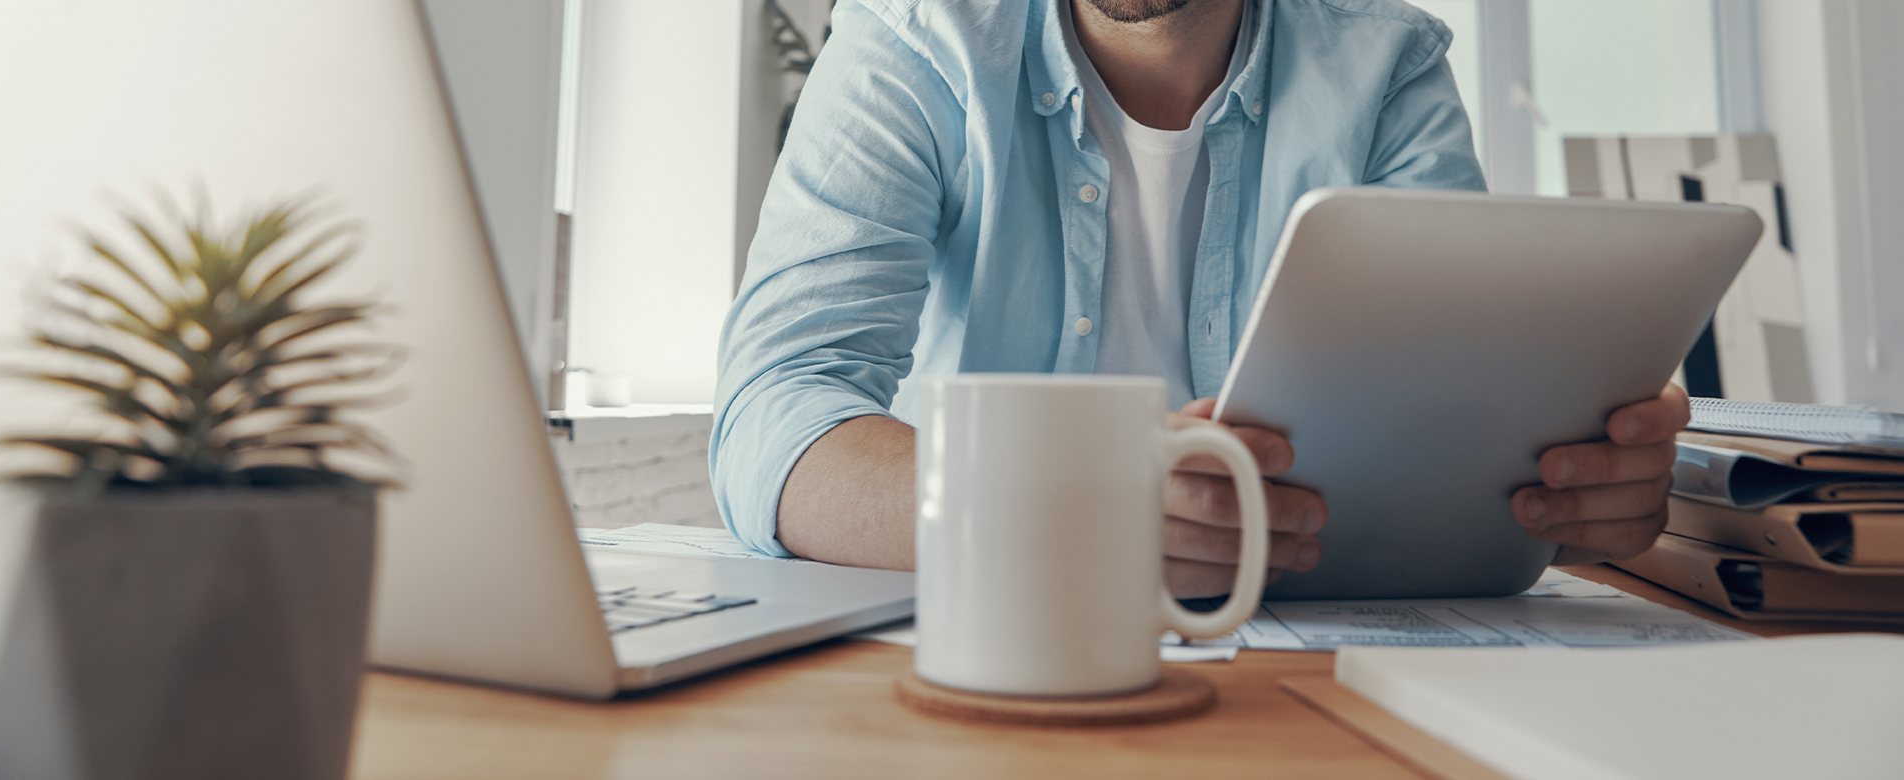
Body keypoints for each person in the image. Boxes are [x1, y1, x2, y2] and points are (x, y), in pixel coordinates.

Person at [712, 0, 1689, 597]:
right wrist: (1063, 509)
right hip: (999, 652)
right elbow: (775, 417)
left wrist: (1565, 491)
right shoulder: (913, 42)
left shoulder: (1386, 66)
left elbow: (1453, 438)